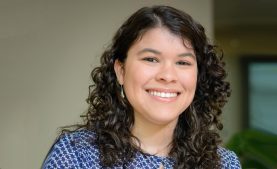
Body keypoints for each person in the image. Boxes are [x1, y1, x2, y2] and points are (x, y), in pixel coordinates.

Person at [42, 5, 241, 169]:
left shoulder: (225, 163)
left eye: (183, 62)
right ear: (121, 71)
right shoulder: (76, 154)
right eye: (151, 59)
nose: (167, 76)